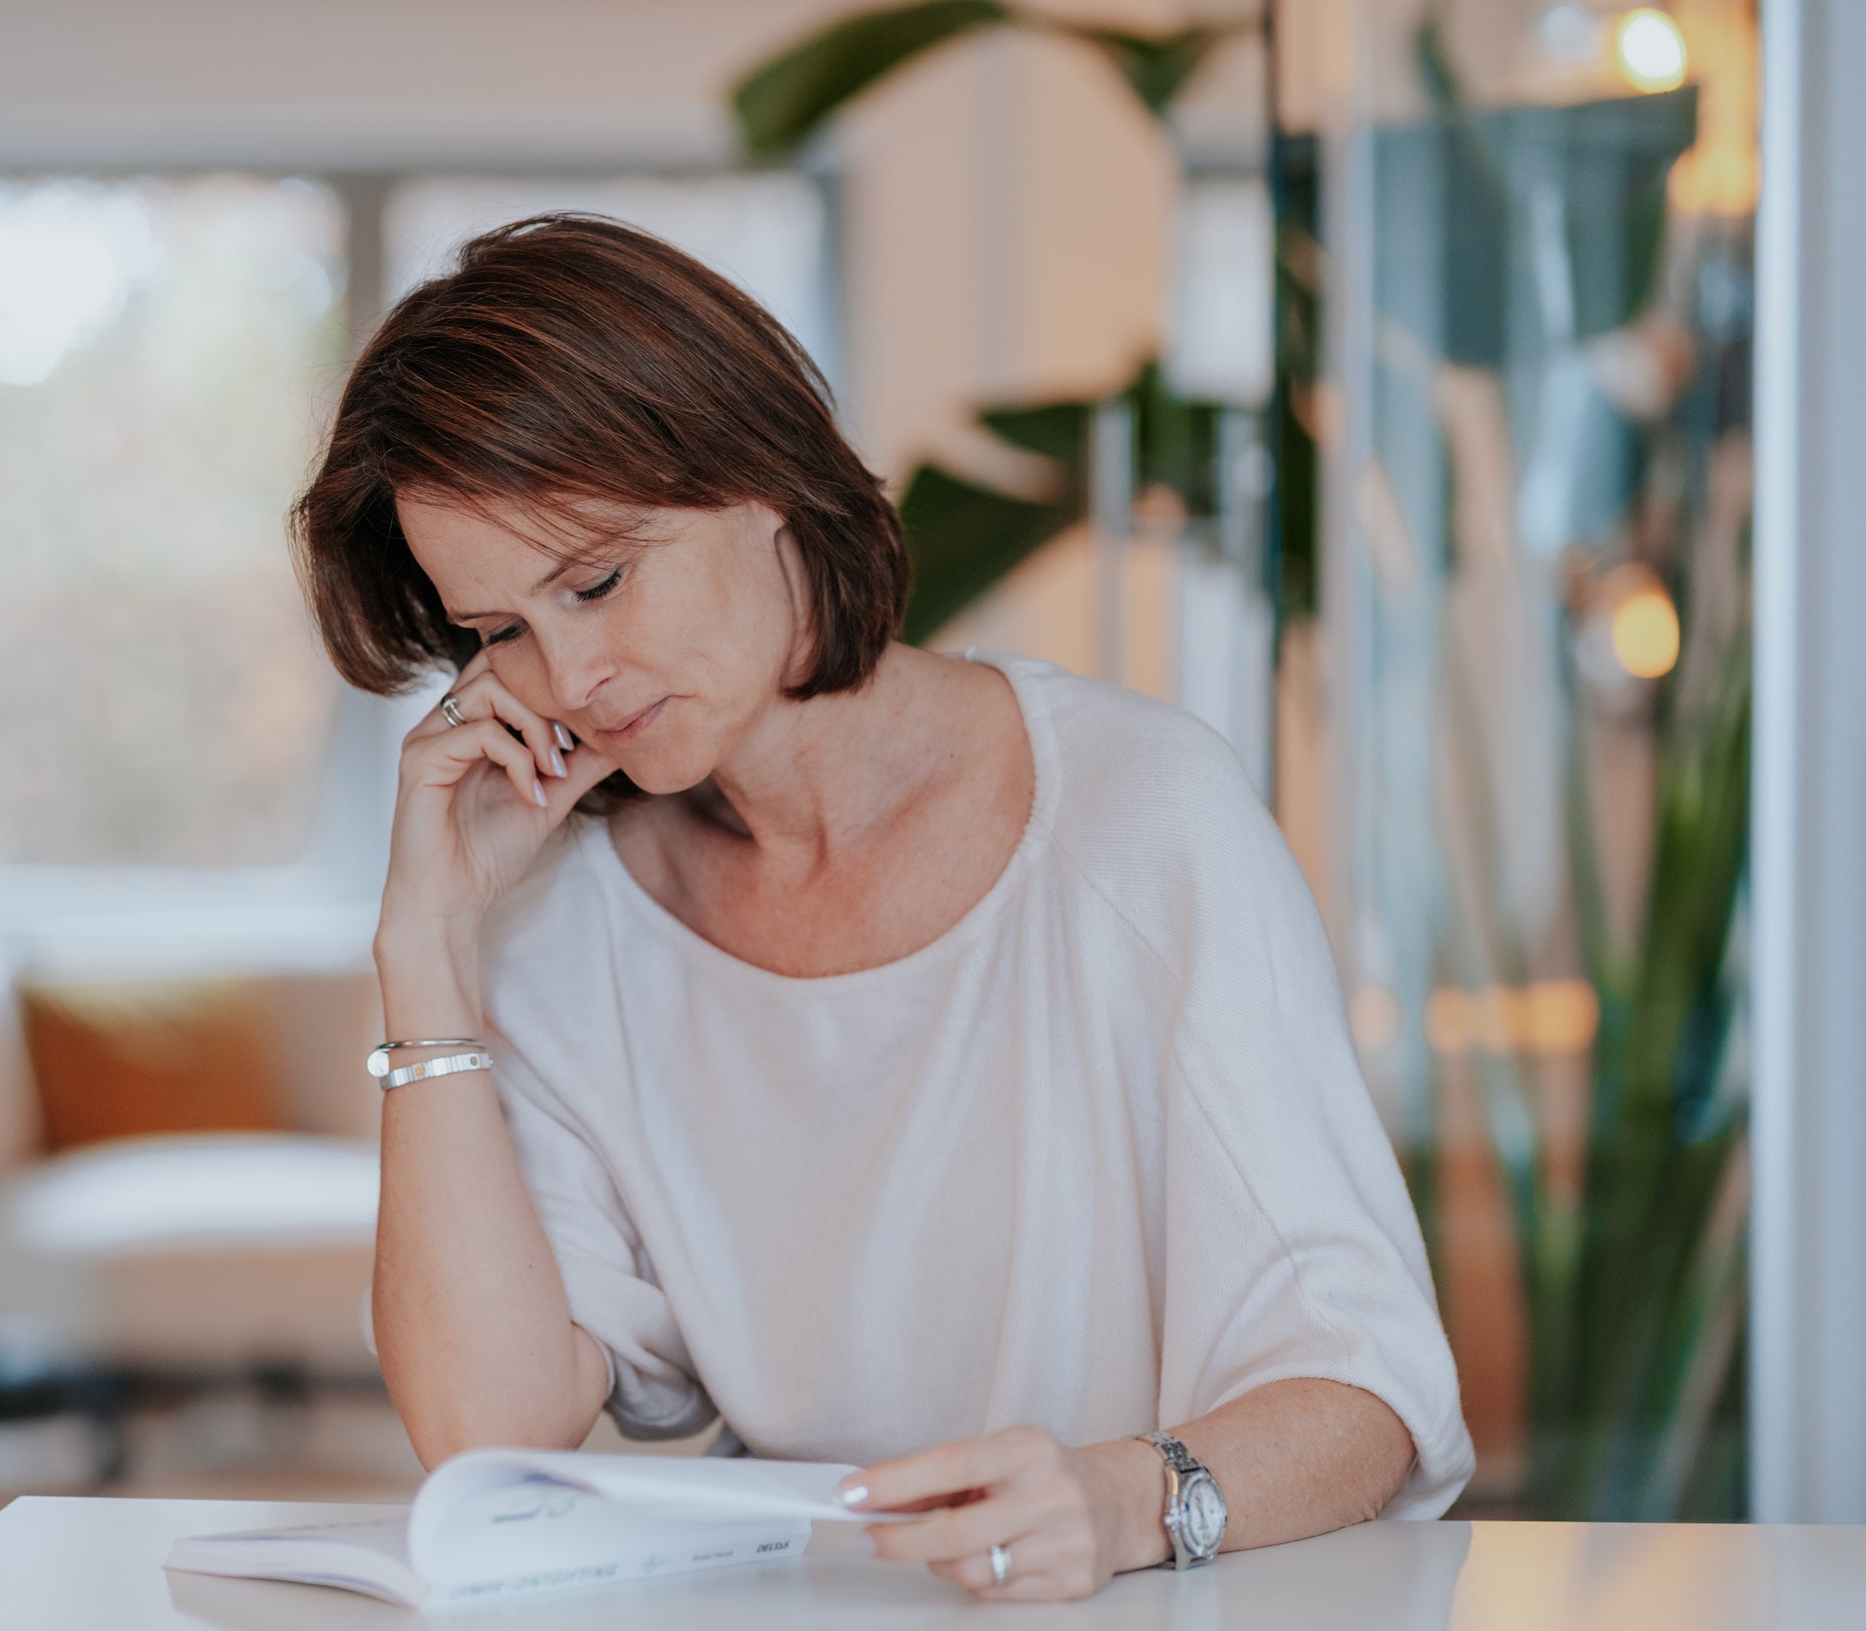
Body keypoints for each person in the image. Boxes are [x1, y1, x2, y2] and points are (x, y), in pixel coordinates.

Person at [293, 215, 1472, 1604]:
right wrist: (423, 944)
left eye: (598, 580)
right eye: (499, 634)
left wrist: (1119, 1498)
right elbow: (485, 1435)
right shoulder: (565, 928)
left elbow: (1371, 1395)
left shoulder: (1138, 820)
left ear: (763, 476)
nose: (570, 674)